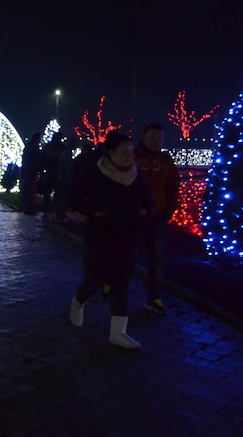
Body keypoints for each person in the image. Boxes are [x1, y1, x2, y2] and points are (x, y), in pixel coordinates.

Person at [68, 131, 154, 349]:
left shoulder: (136, 176)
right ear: (110, 152)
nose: (129, 156)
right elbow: (74, 197)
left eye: (131, 152)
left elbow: (149, 200)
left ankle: (118, 333)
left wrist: (145, 213)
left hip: (127, 237)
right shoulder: (95, 174)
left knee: (121, 282)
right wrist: (93, 211)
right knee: (94, 280)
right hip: (99, 237)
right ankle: (78, 301)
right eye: (123, 152)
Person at [135, 123, 180, 315]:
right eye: (152, 136)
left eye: (160, 137)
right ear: (144, 137)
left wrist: (168, 212)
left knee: (156, 257)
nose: (156, 141)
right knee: (125, 253)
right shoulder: (132, 156)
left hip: (158, 216)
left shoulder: (165, 159)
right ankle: (112, 283)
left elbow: (173, 187)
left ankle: (154, 298)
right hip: (133, 215)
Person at [38, 132, 65, 219]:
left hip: (49, 172)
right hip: (57, 172)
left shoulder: (47, 147)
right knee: (57, 192)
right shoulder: (62, 148)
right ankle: (53, 209)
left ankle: (46, 209)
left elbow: (42, 160)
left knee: (47, 192)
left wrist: (41, 171)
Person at [19, 133, 41, 215]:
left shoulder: (29, 147)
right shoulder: (33, 148)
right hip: (30, 171)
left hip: (28, 171)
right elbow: (35, 159)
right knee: (29, 190)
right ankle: (28, 208)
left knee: (28, 190)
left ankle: (27, 207)